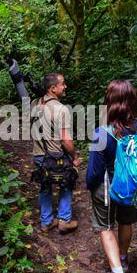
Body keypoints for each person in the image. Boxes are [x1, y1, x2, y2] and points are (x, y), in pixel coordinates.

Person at [86, 80, 137, 273]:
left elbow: (94, 171)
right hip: (132, 184)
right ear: (133, 100)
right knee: (126, 221)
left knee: (106, 228)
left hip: (105, 188)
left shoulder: (101, 132)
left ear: (110, 102)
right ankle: (123, 260)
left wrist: (90, 186)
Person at [31, 73, 79, 234]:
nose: (65, 87)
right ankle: (64, 220)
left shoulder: (34, 104)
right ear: (52, 88)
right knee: (67, 184)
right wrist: (75, 157)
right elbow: (66, 141)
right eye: (62, 84)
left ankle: (47, 222)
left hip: (39, 155)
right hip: (56, 155)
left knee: (45, 186)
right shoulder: (61, 109)